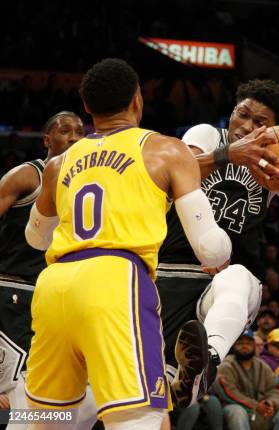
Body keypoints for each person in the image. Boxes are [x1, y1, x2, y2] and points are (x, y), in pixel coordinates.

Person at [23, 58, 231, 429]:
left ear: (86, 107)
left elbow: (36, 237)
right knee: (140, 419)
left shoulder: (57, 164)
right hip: (117, 282)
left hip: (54, 285)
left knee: (45, 420)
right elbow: (212, 250)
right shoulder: (165, 150)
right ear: (138, 100)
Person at [155, 80, 279, 410]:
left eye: (260, 123)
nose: (247, 126)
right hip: (168, 274)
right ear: (231, 112)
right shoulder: (207, 136)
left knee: (238, 276)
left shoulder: (274, 161)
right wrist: (228, 155)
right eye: (243, 114)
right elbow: (174, 172)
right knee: (150, 400)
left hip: (222, 286)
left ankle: (207, 361)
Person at [0, 111, 84, 425]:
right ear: (47, 140)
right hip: (15, 289)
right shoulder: (27, 175)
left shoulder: (91, 183)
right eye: (65, 130)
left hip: (60, 297)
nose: (74, 136)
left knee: (50, 390)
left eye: (79, 130)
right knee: (16, 388)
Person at [214, 329, 279, 430]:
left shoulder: (261, 365)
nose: (244, 346)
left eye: (248, 343)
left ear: (254, 346)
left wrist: (270, 403)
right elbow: (228, 392)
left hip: (260, 411)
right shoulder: (226, 365)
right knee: (236, 411)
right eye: (240, 343)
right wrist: (255, 405)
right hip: (236, 408)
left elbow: (275, 387)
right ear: (233, 345)